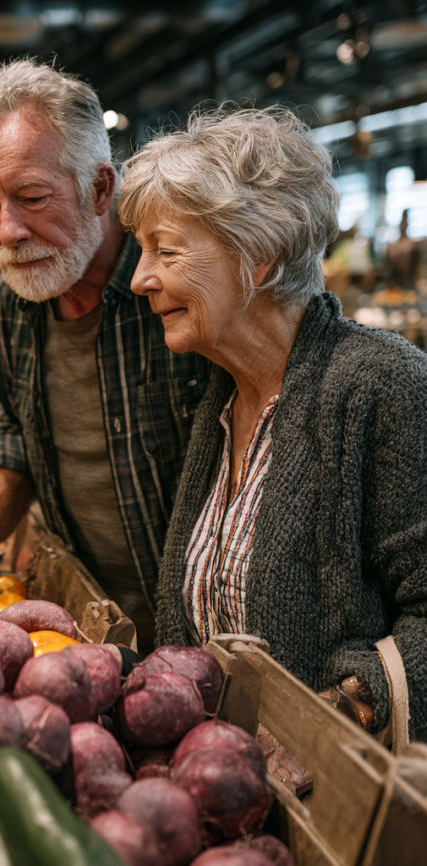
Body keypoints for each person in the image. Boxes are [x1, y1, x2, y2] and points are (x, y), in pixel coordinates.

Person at [119, 104, 427, 736]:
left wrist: (348, 706)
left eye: (165, 251)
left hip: (333, 805)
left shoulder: (383, 384)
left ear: (256, 257)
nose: (140, 278)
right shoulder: (222, 399)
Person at [0, 59, 210, 652]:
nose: (8, 232)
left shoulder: (181, 288)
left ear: (101, 188)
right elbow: (15, 430)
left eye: (31, 197)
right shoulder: (15, 306)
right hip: (90, 624)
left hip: (210, 635)